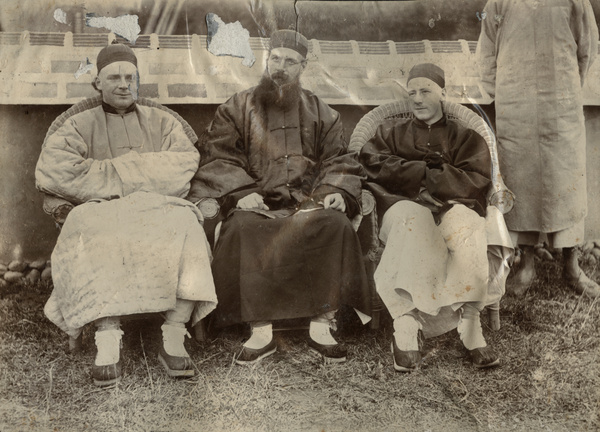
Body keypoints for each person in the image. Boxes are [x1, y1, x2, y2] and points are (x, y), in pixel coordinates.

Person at [35, 43, 217, 386]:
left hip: (157, 207)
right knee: (91, 228)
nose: (123, 84)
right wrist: (139, 172)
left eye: (130, 77)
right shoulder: (76, 124)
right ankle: (107, 338)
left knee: (185, 224)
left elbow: (183, 164)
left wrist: (107, 173)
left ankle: (174, 335)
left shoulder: (163, 122)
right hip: (98, 208)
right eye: (113, 77)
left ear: (139, 82)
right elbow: (57, 171)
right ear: (97, 84)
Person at [188, 29, 371, 365]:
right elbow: (218, 156)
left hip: (308, 203)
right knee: (243, 228)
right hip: (254, 204)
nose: (281, 67)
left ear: (303, 67)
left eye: (290, 61)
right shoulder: (236, 107)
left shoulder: (322, 112)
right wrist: (241, 194)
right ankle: (261, 329)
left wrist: (334, 192)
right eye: (275, 59)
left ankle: (322, 323)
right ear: (265, 60)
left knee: (334, 223)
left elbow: (339, 159)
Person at [359, 63, 504, 371]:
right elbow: (371, 165)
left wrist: (431, 181)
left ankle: (470, 323)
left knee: (468, 225)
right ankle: (407, 323)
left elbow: (477, 178)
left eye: (425, 91)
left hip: (452, 205)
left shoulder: (464, 135)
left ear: (443, 93)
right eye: (411, 92)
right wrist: (424, 174)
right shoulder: (390, 132)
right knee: (415, 222)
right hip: (402, 206)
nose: (418, 99)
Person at [477, 0, 600, 297]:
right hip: (516, 109)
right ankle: (526, 265)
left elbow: (587, 48)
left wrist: (567, 87)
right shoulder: (499, 2)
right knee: (523, 185)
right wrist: (506, 92)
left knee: (567, 184)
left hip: (562, 105)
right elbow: (487, 54)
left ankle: (571, 266)